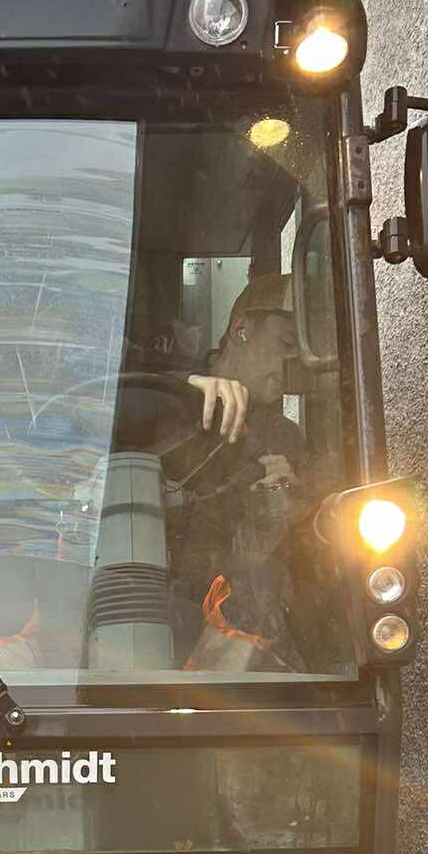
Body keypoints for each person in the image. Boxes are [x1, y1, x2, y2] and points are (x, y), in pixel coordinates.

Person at [167, 273, 309, 671]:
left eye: (302, 352)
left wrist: (290, 511)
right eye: (285, 343)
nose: (291, 362)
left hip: (233, 637)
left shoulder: (285, 439)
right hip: (140, 613)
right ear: (242, 329)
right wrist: (185, 387)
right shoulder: (170, 398)